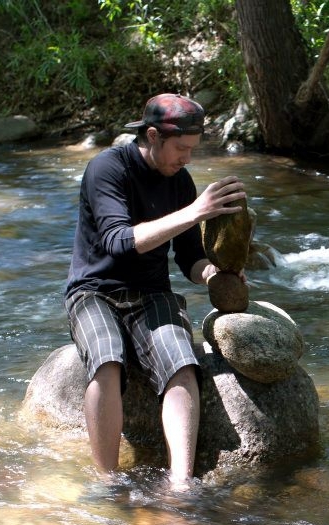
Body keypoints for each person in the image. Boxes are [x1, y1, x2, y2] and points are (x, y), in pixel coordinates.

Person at [64, 93, 246, 489]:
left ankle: (181, 484)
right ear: (151, 135)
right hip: (94, 289)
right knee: (107, 358)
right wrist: (196, 211)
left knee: (183, 364)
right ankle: (107, 479)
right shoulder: (107, 169)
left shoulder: (180, 181)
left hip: (151, 292)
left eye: (192, 149)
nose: (187, 158)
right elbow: (118, 241)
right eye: (181, 148)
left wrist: (215, 274)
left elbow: (189, 258)